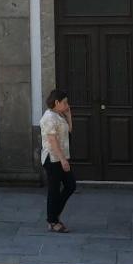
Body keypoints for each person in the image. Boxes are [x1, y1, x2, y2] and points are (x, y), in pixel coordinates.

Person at [39, 88, 76, 232]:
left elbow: (69, 131)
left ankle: (53, 216)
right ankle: (53, 221)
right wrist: (63, 160)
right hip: (53, 158)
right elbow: (52, 141)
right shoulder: (49, 117)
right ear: (56, 102)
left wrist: (69, 115)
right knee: (54, 190)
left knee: (70, 186)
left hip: (61, 157)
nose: (67, 105)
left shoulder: (58, 115)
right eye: (65, 102)